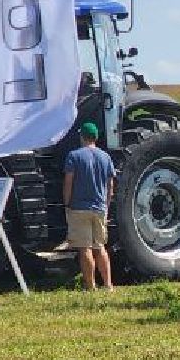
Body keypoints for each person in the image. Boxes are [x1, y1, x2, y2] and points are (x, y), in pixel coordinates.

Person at [63, 121, 116, 291]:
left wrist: (67, 203)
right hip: (100, 207)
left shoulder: (74, 156)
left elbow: (68, 182)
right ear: (96, 137)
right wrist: (106, 205)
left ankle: (90, 286)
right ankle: (108, 284)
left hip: (79, 207)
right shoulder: (105, 157)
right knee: (100, 247)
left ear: (82, 136)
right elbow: (110, 186)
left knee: (84, 248)